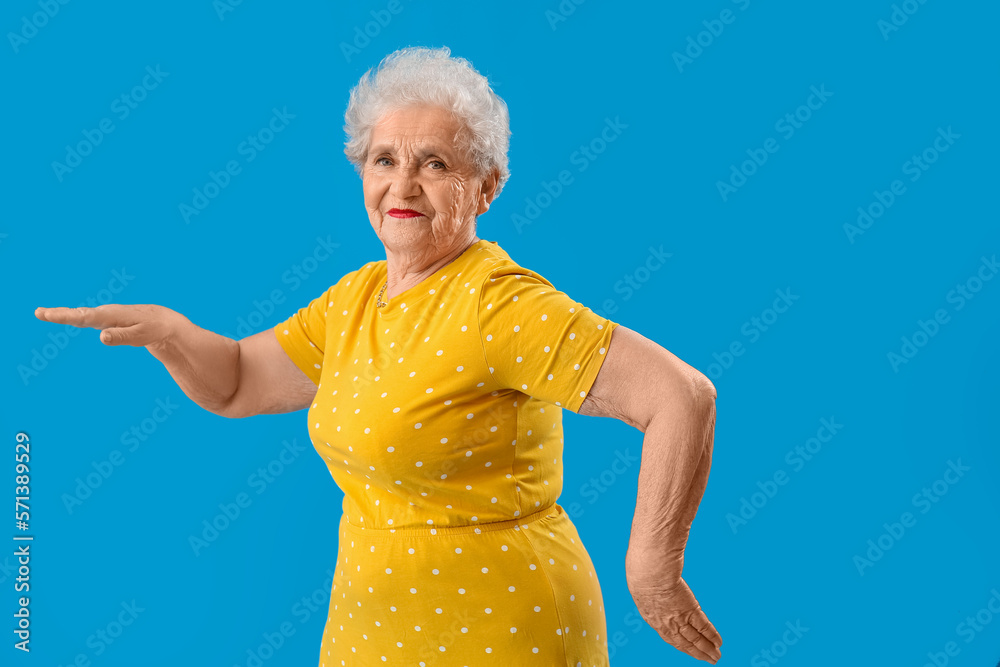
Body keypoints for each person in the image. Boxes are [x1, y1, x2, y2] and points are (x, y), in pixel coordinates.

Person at [34, 46, 722, 666]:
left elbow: (681, 395)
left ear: (486, 187)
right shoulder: (357, 298)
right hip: (374, 632)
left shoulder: (498, 303)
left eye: (436, 164)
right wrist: (173, 333)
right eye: (385, 159)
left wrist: (652, 566)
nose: (403, 185)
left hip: (505, 629)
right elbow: (238, 382)